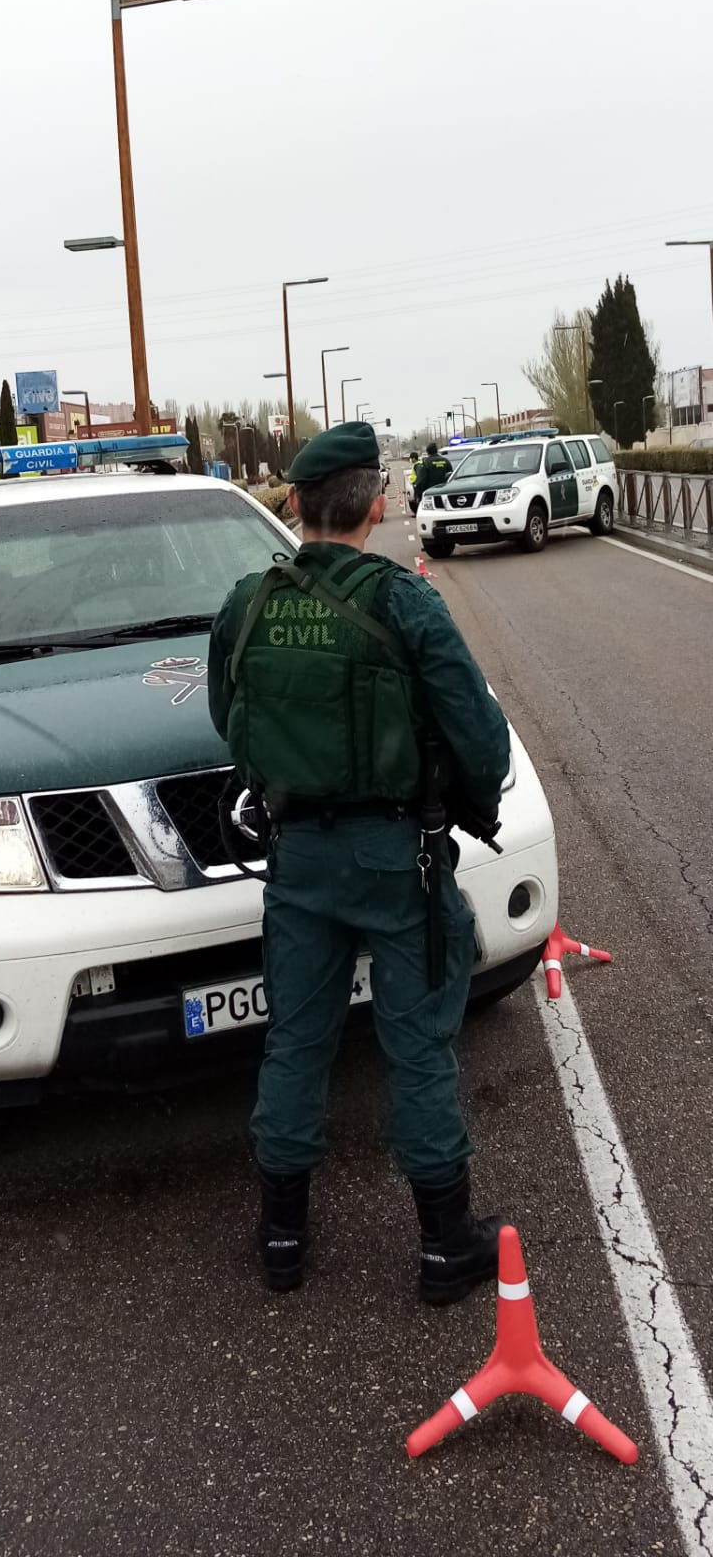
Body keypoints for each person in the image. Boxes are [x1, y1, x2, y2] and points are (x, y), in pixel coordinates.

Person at [207, 420, 511, 1305]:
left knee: (296, 1042)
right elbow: (477, 732)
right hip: (395, 860)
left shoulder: (249, 602)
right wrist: (470, 806)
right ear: (377, 505)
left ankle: (283, 1239)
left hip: (297, 859)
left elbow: (230, 715)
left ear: (296, 505)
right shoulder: (404, 601)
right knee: (417, 1046)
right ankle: (446, 1247)